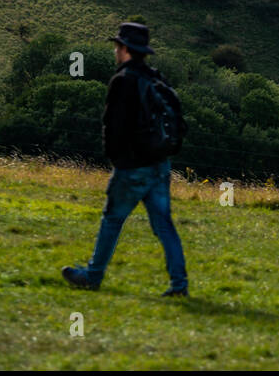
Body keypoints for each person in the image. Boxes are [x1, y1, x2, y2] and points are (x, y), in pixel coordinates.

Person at [62, 22, 189, 297]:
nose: (115, 51)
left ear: (126, 50)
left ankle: (92, 277)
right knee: (164, 225)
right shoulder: (156, 79)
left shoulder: (123, 81)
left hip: (133, 166)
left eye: (117, 46)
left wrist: (116, 159)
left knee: (112, 220)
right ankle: (179, 285)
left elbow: (113, 125)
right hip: (160, 164)